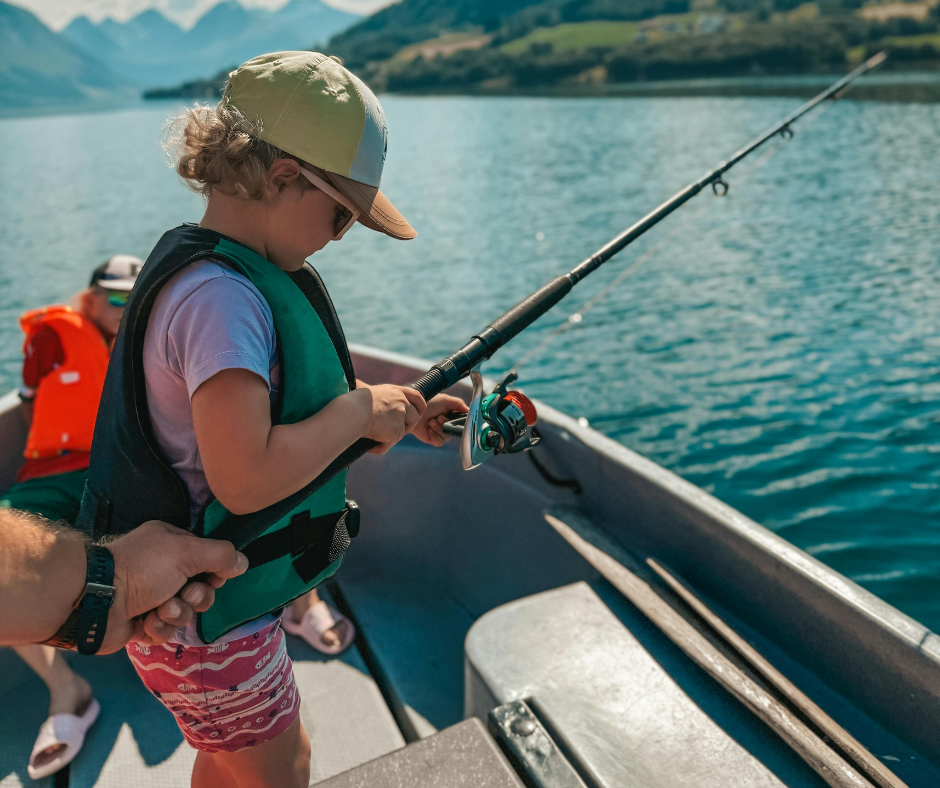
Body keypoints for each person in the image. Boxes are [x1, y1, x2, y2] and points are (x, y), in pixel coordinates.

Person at [74, 51, 467, 788]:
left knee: (229, 762)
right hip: (203, 622)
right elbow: (246, 476)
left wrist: (394, 414)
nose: (339, 237)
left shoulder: (224, 280)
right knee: (282, 769)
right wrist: (355, 411)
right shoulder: (221, 302)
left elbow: (278, 425)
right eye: (342, 215)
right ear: (285, 174)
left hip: (202, 618)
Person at [0, 255, 142, 779]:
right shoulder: (57, 335)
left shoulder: (154, 340)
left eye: (135, 297)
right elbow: (35, 388)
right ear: (89, 298)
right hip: (49, 474)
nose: (126, 308)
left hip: (119, 474)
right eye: (116, 297)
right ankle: (68, 690)